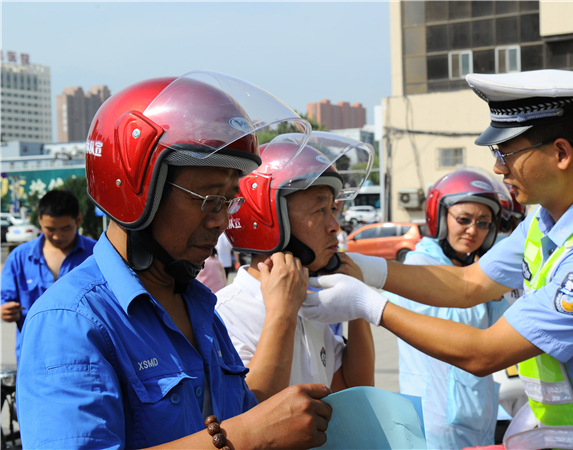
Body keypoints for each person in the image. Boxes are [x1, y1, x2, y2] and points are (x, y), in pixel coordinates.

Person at [300, 69, 573, 449]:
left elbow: (485, 353)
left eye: (507, 152)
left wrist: (367, 304)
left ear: (561, 153)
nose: (497, 167)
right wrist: (365, 270)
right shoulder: (545, 222)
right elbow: (469, 284)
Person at [16, 72, 333, 449]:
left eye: (230, 200)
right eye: (209, 198)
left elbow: (236, 416)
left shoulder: (199, 308)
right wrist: (249, 436)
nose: (221, 220)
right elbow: (243, 434)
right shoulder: (71, 322)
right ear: (137, 192)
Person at [216, 132, 376, 402]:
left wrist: (357, 309)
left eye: (333, 211)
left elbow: (355, 389)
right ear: (270, 218)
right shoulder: (225, 314)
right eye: (319, 210)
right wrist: (283, 314)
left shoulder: (309, 304)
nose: (334, 226)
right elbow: (249, 412)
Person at [385, 167, 512, 449]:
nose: (473, 230)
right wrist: (486, 281)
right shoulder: (421, 268)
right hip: (438, 422)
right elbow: (458, 319)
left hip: (479, 416)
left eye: (484, 223)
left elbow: (499, 331)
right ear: (441, 218)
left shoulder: (474, 271)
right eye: (464, 219)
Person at [1, 189, 96, 365]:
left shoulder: (96, 255)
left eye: (65, 228)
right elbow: (4, 298)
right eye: (50, 229)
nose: (57, 236)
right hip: (33, 354)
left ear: (78, 220)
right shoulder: (20, 257)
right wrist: (5, 310)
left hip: (84, 353)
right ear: (39, 222)